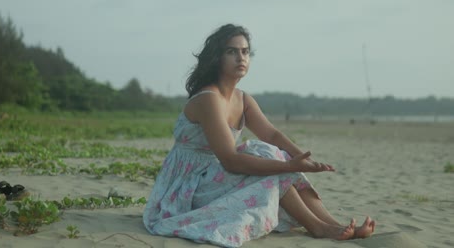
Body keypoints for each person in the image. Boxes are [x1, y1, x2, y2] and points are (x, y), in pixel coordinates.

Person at [143, 24, 375, 247]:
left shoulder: (242, 99)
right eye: (231, 52)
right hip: (189, 185)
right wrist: (286, 166)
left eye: (245, 52)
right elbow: (230, 160)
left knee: (271, 154)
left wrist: (300, 159)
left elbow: (272, 134)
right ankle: (317, 227)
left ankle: (335, 225)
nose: (241, 58)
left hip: (215, 175)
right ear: (217, 58)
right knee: (268, 160)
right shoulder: (208, 98)